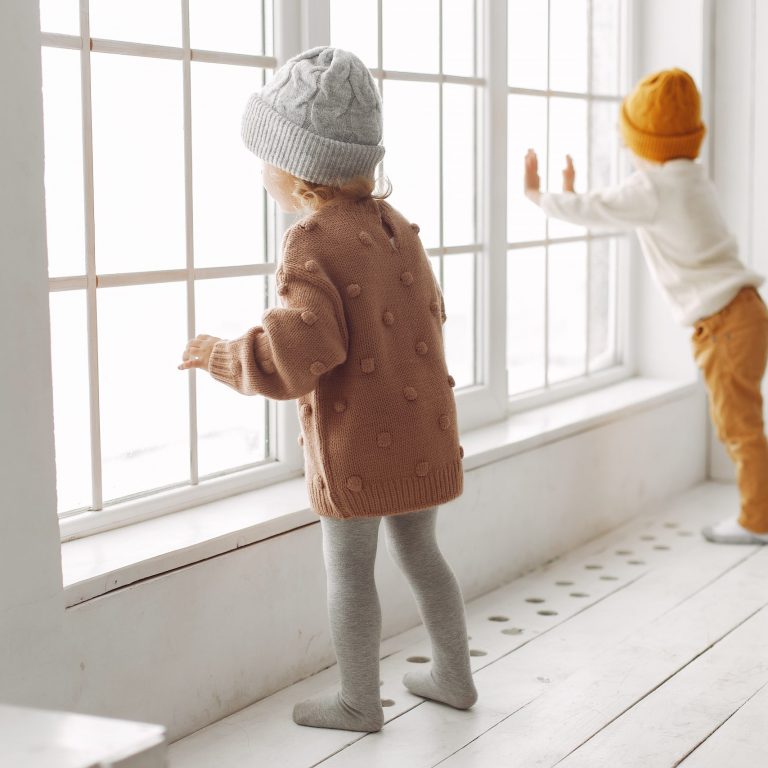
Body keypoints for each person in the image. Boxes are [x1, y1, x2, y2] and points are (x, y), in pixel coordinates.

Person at [179, 46, 477, 732]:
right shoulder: (399, 229)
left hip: (358, 445)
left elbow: (299, 353)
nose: (261, 171)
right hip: (426, 431)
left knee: (349, 571)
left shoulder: (310, 241)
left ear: (297, 172)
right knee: (424, 554)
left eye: (265, 158)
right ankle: (454, 678)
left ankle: (358, 700)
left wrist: (223, 356)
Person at [523, 68, 768, 546]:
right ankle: (760, 510)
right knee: (745, 422)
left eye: (628, 136)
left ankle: (758, 519)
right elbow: (605, 206)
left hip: (724, 326)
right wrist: (575, 196)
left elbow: (597, 209)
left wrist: (539, 196)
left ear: (646, 144)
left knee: (739, 428)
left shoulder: (652, 190)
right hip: (745, 313)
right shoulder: (690, 178)